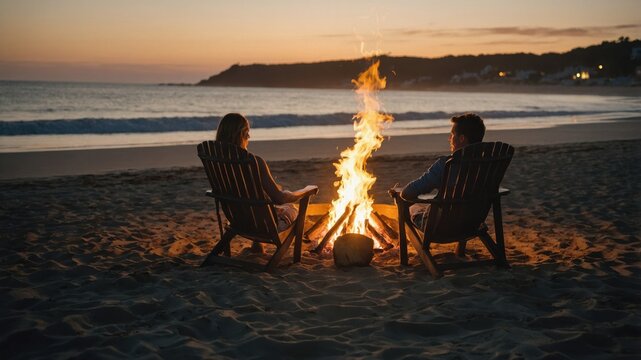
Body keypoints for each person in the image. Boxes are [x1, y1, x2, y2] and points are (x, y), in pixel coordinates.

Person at [215, 113, 315, 253]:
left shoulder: (217, 162)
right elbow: (279, 199)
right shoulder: (254, 162)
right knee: (291, 209)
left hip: (237, 220)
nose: (249, 137)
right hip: (263, 225)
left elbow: (246, 193)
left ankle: (257, 246)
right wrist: (300, 193)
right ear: (242, 134)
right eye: (247, 133)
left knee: (260, 204)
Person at [400, 113, 486, 231]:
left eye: (452, 135)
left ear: (461, 138)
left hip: (443, 226)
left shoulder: (446, 165)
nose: (449, 139)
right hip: (473, 223)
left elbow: (407, 193)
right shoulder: (487, 164)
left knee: (411, 207)